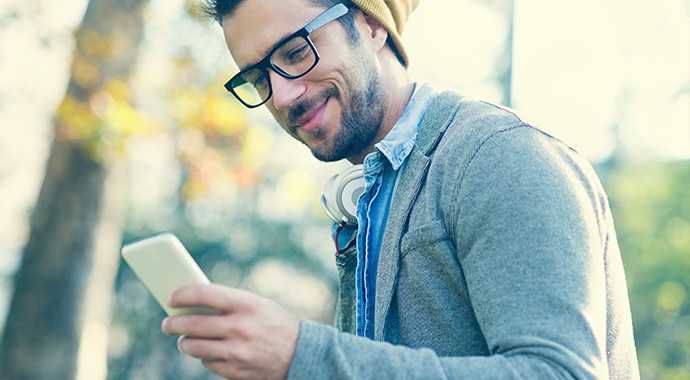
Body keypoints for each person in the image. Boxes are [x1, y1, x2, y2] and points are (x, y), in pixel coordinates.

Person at [160, 0, 641, 378]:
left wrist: (302, 356)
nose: (282, 95)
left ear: (371, 24)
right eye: (258, 77)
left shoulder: (501, 157)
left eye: (294, 52)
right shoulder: (368, 199)